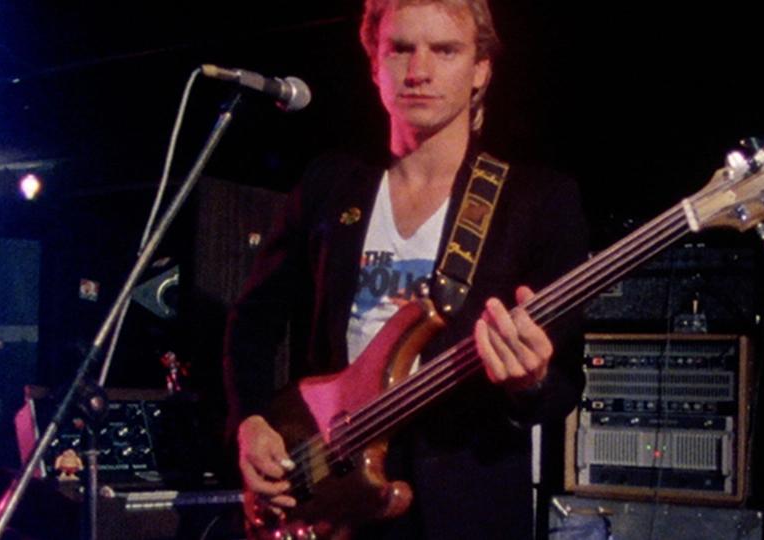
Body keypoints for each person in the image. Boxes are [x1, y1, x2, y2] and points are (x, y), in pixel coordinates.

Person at [224, 0, 588, 537]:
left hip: (463, 509)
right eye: (400, 49)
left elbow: (562, 386)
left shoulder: (538, 202)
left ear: (480, 70)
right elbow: (252, 323)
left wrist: (530, 382)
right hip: (325, 490)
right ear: (374, 63)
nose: (419, 71)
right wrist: (250, 422)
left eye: (445, 50)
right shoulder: (331, 185)